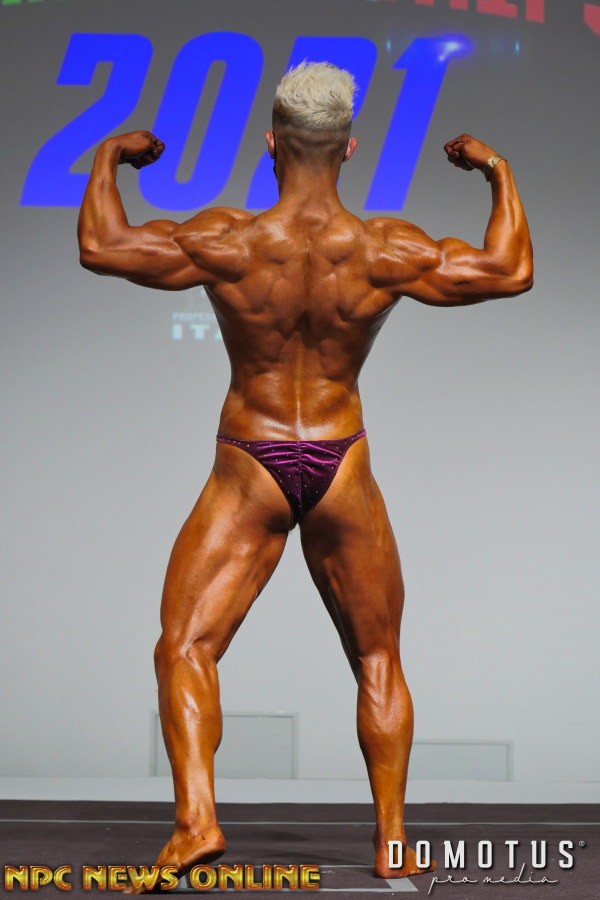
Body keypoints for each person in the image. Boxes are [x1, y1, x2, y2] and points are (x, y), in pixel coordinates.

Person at [78, 61, 533, 888]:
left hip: (250, 459)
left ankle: (196, 822)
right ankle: (391, 843)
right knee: (378, 655)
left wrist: (110, 155)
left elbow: (102, 245)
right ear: (349, 148)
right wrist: (497, 170)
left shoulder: (231, 240)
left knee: (186, 645)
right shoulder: (385, 248)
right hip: (339, 459)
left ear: (270, 145)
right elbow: (509, 269)